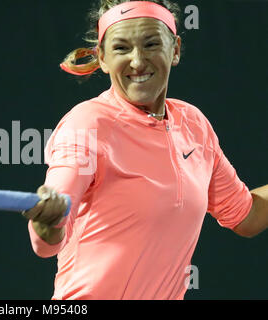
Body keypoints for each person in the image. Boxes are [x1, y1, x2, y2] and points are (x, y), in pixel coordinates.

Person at [22, 0, 268, 300]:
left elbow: (247, 215)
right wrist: (48, 223)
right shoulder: (86, 125)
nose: (137, 61)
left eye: (151, 44)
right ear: (102, 58)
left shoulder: (194, 125)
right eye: (121, 48)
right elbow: (46, 242)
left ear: (175, 49)